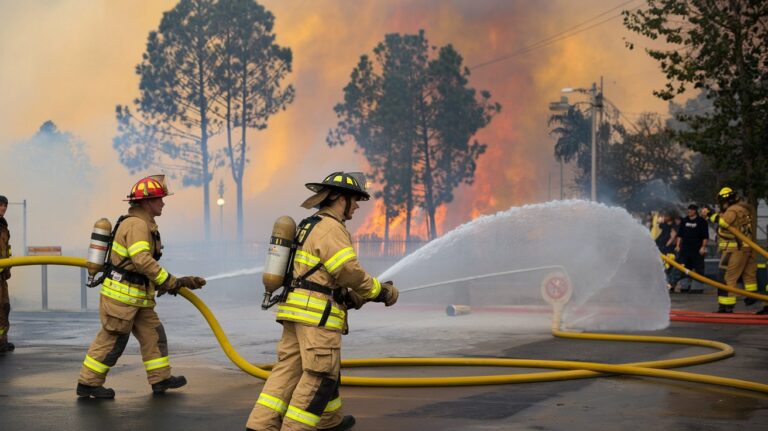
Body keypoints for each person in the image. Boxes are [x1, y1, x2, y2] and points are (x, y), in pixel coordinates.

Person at [245, 171, 399, 431]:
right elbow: (348, 271)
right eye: (355, 199)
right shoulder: (331, 228)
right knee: (320, 377)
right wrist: (380, 291)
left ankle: (262, 426)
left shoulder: (310, 224)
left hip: (296, 312)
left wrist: (348, 296)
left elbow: (319, 275)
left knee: (287, 372)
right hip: (316, 318)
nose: (357, 206)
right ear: (340, 198)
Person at [76, 175, 207, 398]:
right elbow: (142, 260)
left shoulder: (143, 224)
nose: (163, 203)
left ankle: (160, 379)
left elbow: (141, 264)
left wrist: (171, 282)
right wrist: (170, 281)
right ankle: (88, 383)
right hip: (122, 299)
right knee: (113, 340)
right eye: (159, 199)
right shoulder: (136, 225)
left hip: (138, 298)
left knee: (154, 335)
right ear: (146, 202)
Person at [701, 187, 758, 313]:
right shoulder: (743, 209)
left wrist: (709, 214)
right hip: (744, 247)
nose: (721, 205)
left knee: (726, 277)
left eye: (722, 202)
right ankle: (752, 296)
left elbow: (723, 222)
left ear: (728, 200)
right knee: (748, 274)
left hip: (733, 249)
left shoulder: (732, 210)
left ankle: (726, 306)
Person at [673, 204, 709, 293]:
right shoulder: (684, 220)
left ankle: (698, 287)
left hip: (697, 249)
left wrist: (703, 247)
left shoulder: (701, 221)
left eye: (691, 210)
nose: (689, 211)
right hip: (685, 249)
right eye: (688, 209)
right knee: (684, 268)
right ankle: (685, 286)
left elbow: (705, 236)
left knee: (698, 268)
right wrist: (678, 246)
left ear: (695, 211)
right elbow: (680, 235)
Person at [0, 195, 15, 354]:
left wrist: (7, 269)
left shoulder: (4, 227)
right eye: (1, 205)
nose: (3, 208)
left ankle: (2, 341)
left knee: (4, 307)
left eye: (5, 205)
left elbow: (7, 250)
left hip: (2, 276)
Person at [654, 211, 678, 291]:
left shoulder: (674, 226)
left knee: (667, 268)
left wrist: (666, 246)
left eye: (666, 216)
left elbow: (673, 237)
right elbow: (658, 225)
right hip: (660, 248)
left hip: (667, 250)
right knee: (661, 267)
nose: (664, 217)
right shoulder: (664, 225)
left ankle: (668, 285)